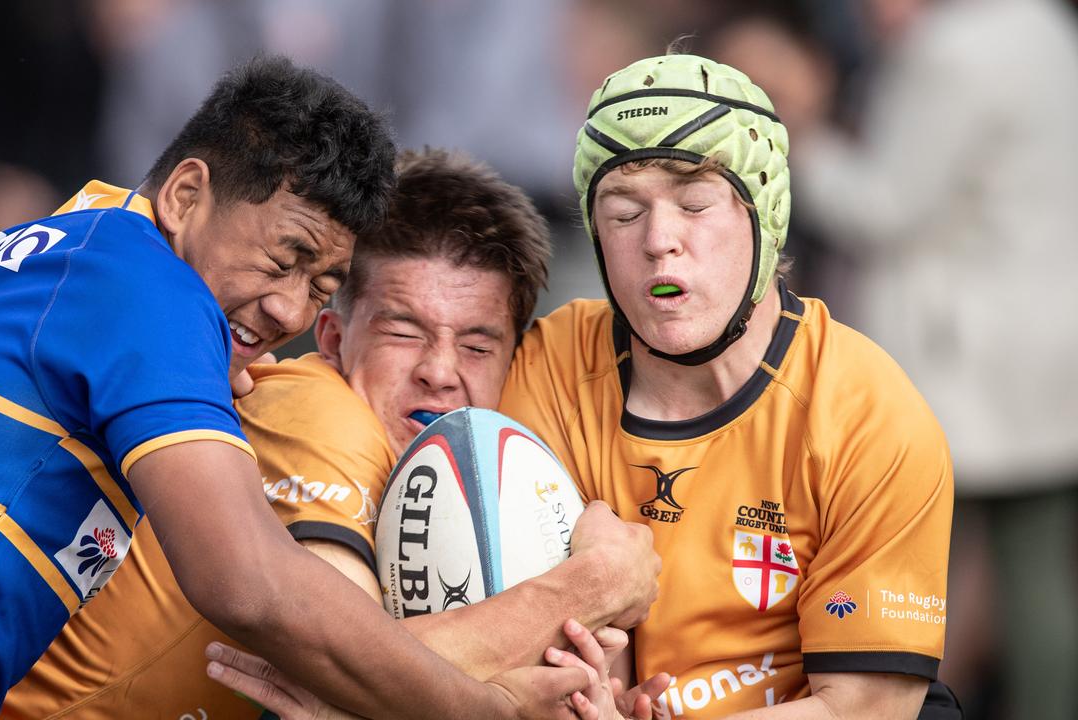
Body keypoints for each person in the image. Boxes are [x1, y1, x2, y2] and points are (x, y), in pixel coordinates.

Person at [0, 58, 602, 720]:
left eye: (323, 286)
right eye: (284, 257)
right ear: (186, 195)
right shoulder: (150, 288)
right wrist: (485, 709)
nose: (291, 308)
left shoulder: (81, 242)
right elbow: (250, 586)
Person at [213, 53, 962, 719]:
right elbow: (531, 628)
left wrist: (345, 696)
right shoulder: (552, 364)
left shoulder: (867, 412)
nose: (659, 238)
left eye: (696, 204)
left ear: (765, 213)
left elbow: (867, 705)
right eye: (624, 211)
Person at [0, 147, 660, 718]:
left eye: (477, 346)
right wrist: (593, 585)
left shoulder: (484, 474)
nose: (438, 372)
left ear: (514, 364)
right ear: (334, 340)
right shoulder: (316, 407)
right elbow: (346, 666)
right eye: (404, 331)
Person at [786, 1, 1078, 717]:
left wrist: (795, 137)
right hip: (1045, 349)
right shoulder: (1044, 24)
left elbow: (883, 205)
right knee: (1035, 575)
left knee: (906, 584)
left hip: (964, 361)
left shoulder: (952, 52)